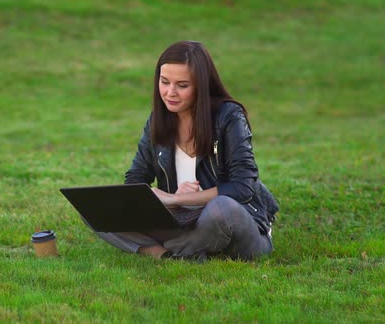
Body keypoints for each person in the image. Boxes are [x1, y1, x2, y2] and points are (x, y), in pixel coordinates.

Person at [93, 41, 279, 261]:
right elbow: (136, 179)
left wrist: (175, 199)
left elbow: (242, 187)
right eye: (164, 82)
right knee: (98, 209)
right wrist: (148, 202)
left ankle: (176, 248)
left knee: (222, 209)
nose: (170, 92)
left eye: (182, 85)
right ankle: (164, 254)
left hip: (233, 224)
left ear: (202, 86)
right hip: (182, 222)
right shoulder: (157, 121)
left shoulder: (229, 116)